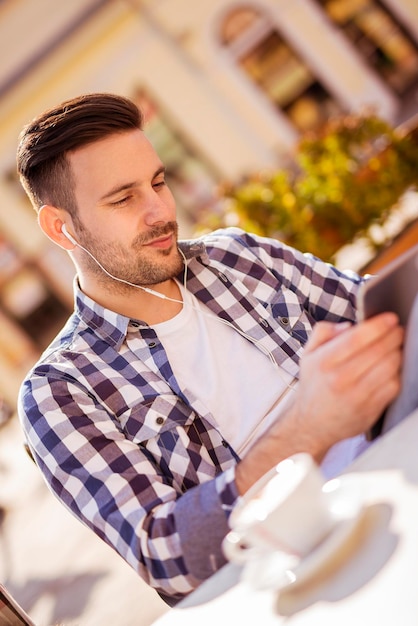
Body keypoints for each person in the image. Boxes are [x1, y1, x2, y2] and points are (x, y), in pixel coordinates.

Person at [16, 93, 403, 605]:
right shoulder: (59, 393)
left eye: (158, 182)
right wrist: (312, 426)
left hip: (400, 475)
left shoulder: (237, 256)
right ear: (60, 228)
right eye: (123, 198)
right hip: (297, 588)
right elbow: (165, 557)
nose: (160, 212)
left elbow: (385, 309)